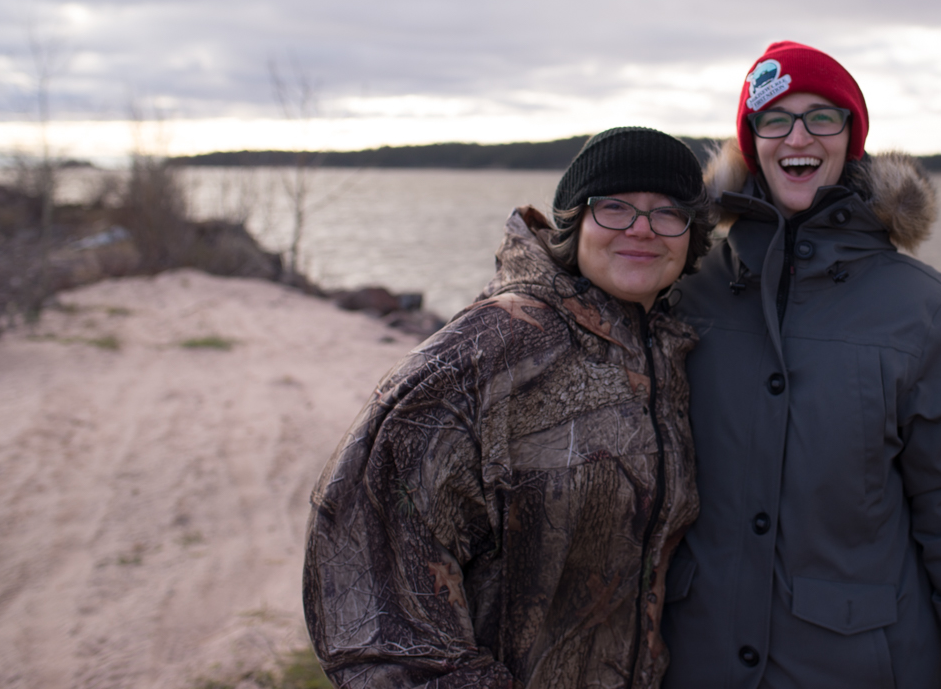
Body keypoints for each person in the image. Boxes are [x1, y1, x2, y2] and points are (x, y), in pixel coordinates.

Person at [661, 42, 941, 689]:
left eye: (822, 117)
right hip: (695, 665)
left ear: (851, 136)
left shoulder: (928, 313)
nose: (797, 136)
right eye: (775, 119)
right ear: (750, 141)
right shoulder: (683, 292)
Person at [305, 127, 713, 689]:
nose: (641, 228)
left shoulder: (668, 355)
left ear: (694, 236)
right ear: (575, 222)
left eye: (668, 212)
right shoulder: (487, 351)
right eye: (614, 207)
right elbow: (370, 587)